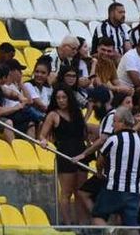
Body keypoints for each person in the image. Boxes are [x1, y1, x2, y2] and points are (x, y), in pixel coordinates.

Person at [89, 106, 140, 227]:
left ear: (122, 122)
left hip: (113, 188)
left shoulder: (113, 140)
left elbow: (100, 161)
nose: (113, 125)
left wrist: (99, 172)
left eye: (114, 122)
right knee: (130, 225)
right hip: (133, 191)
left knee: (97, 217)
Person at [38, 85, 89, 224]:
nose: (61, 100)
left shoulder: (77, 112)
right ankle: (67, 223)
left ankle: (81, 223)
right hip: (65, 153)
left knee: (80, 192)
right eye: (58, 98)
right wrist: (44, 142)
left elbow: (84, 133)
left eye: (64, 97)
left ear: (69, 98)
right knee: (66, 192)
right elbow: (42, 135)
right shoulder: (53, 115)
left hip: (81, 151)